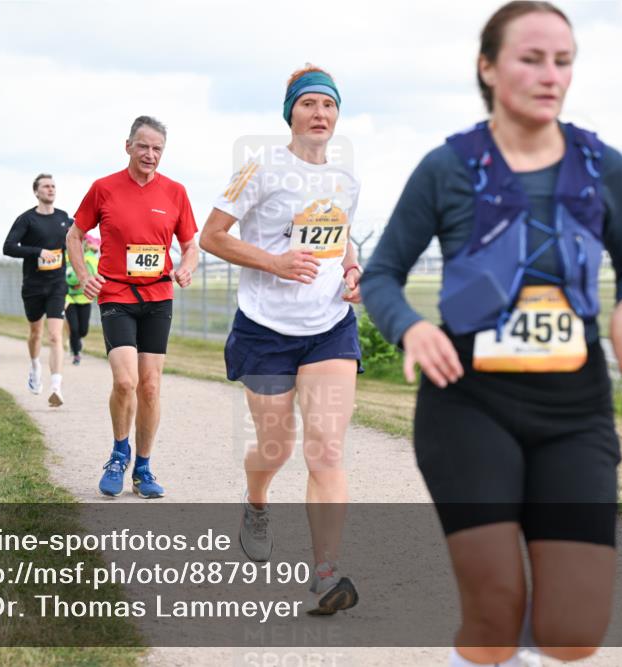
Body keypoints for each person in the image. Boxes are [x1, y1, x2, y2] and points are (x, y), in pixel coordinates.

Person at [360, 3, 622, 665]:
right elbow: (383, 272)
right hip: (468, 398)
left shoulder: (601, 165)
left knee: (572, 629)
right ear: (488, 66)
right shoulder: (447, 168)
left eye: (563, 60)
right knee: (496, 608)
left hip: (576, 406)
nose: (551, 74)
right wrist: (410, 327)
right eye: (531, 58)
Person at [199, 65, 363, 615]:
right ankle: (256, 501)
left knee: (326, 448)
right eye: (309, 104)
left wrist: (353, 274)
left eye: (328, 105)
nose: (320, 114)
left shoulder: (346, 180)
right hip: (266, 329)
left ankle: (327, 572)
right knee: (276, 446)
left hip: (329, 328)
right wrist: (272, 260)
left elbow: (343, 244)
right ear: (290, 112)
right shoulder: (258, 168)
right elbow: (211, 236)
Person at [69, 115, 198, 499]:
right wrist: (82, 275)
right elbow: (75, 236)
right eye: (143, 146)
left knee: (151, 387)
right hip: (117, 295)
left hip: (158, 296)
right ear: (127, 146)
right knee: (125, 382)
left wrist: (187, 268)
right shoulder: (104, 189)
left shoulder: (175, 192)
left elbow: (191, 244)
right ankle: (117, 453)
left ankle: (142, 468)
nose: (150, 154)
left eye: (157, 149)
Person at [3, 173, 71, 407]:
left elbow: (75, 243)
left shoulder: (63, 218)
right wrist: (37, 251)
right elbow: (9, 247)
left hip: (57, 285)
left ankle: (56, 387)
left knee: (55, 336)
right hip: (33, 285)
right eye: (46, 186)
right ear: (36, 192)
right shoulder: (26, 220)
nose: (51, 189)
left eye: (53, 186)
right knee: (36, 333)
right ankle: (34, 367)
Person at [64, 234, 100, 365]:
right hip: (69, 299)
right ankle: (76, 353)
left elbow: (95, 272)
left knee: (83, 330)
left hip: (85, 298)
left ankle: (76, 340)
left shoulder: (90, 257)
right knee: (74, 328)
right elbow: (65, 274)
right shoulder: (67, 256)